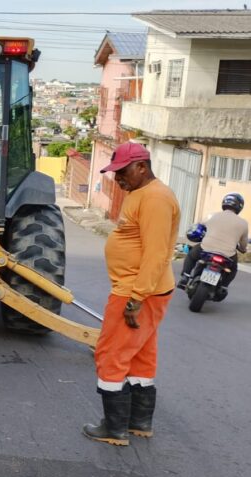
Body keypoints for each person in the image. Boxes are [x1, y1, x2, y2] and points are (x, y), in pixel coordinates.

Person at [83, 143, 180, 446]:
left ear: (141, 166)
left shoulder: (154, 199)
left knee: (110, 354)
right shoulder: (142, 195)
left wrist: (136, 298)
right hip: (144, 291)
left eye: (122, 172)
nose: (117, 179)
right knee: (140, 356)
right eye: (114, 173)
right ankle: (139, 422)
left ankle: (113, 429)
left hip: (137, 293)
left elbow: (156, 253)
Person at [178, 193, 247, 290]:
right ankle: (223, 287)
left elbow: (199, 225)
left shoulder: (212, 216)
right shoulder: (243, 223)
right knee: (233, 268)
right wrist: (243, 249)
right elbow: (243, 243)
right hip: (228, 253)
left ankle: (185, 276)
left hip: (206, 248)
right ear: (240, 207)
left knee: (191, 256)